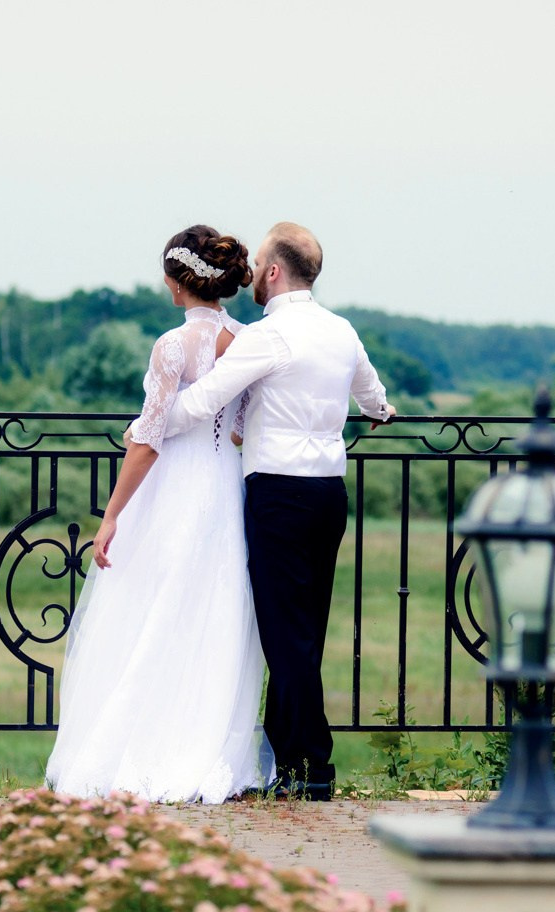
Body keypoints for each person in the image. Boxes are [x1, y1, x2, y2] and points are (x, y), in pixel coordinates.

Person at [145, 222, 395, 801]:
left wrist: (152, 419)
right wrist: (384, 411)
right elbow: (372, 396)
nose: (252, 273)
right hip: (329, 493)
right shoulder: (341, 330)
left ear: (275, 272)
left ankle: (313, 767)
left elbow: (203, 403)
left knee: (285, 636)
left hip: (278, 492)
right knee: (305, 629)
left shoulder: (269, 335)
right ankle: (293, 758)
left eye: (259, 264)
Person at [44, 225, 270, 803]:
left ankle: (139, 747)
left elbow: (148, 440)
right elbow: (239, 427)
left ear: (179, 279)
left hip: (173, 489)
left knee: (151, 609)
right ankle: (208, 745)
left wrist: (112, 514)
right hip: (223, 486)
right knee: (211, 609)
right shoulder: (246, 340)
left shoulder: (172, 345)